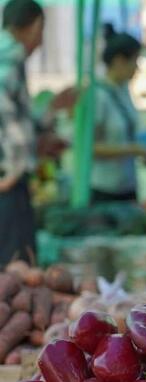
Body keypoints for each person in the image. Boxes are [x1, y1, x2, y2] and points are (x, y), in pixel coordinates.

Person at [0, 0, 72, 265]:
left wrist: (50, 111)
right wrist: (15, 169)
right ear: (34, 26)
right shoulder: (10, 56)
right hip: (8, 183)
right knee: (15, 264)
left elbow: (17, 119)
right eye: (41, 32)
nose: (40, 42)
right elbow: (6, 116)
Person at [91, 24, 146, 203]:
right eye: (135, 61)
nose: (137, 68)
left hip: (127, 186)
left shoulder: (124, 90)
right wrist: (132, 149)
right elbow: (90, 147)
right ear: (119, 61)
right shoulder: (98, 96)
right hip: (104, 189)